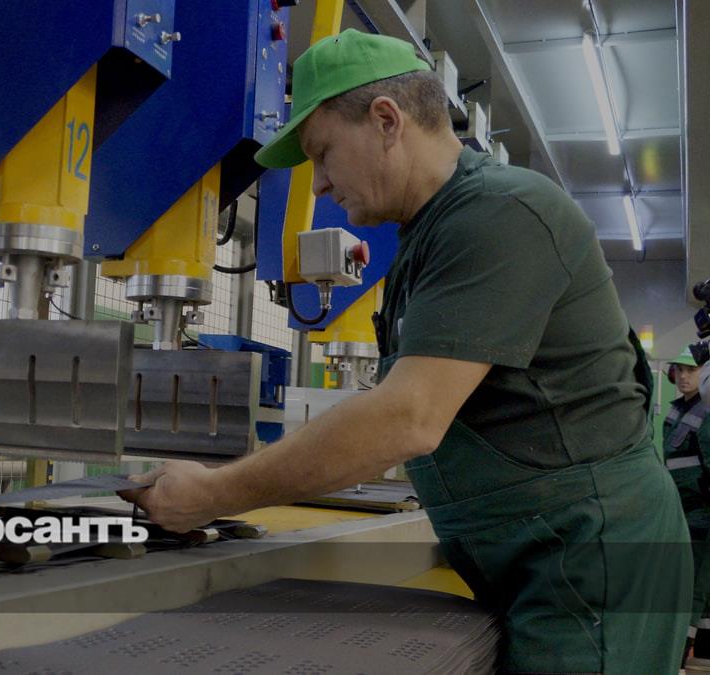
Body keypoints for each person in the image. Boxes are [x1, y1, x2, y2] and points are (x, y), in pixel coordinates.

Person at [120, 29, 691, 673]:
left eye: (322, 154)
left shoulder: (500, 213)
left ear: (386, 121)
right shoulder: (431, 234)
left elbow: (407, 418)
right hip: (540, 553)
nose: (320, 185)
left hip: (590, 562)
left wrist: (214, 494)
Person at [663, 350, 710, 662]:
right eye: (679, 370)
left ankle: (681, 653)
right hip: (680, 509)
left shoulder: (707, 411)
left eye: (690, 370)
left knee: (695, 584)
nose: (683, 376)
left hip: (702, 512)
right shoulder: (675, 410)